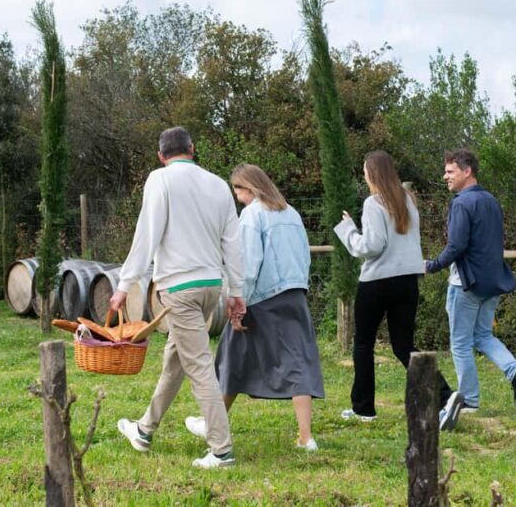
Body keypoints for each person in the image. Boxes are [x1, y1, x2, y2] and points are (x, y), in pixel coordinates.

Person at [109, 127, 246, 469]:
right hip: (211, 287)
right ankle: (144, 429)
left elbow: (147, 234)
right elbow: (233, 241)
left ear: (161, 156)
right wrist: (237, 291)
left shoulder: (160, 180)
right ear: (192, 148)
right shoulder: (217, 184)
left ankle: (221, 450)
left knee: (198, 365)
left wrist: (125, 285)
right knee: (176, 360)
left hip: (179, 289)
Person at [184, 164, 325, 451]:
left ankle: (212, 423)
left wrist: (238, 303)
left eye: (237, 189)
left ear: (247, 187)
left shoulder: (251, 215)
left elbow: (247, 264)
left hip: (262, 298)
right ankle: (306, 438)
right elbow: (304, 256)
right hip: (294, 294)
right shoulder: (291, 212)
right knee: (298, 362)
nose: (236, 195)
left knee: (230, 358)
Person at [335, 150, 464, 431]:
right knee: (404, 345)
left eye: (365, 171)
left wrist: (347, 230)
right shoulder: (408, 200)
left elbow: (371, 246)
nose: (364, 176)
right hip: (408, 280)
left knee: (363, 343)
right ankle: (446, 396)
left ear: (372, 173)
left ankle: (363, 408)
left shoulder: (373, 203)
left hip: (378, 281)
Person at [425, 148, 516, 414]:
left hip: (466, 284)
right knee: (482, 335)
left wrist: (431, 265)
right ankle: (514, 370)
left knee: (460, 342)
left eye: (450, 171)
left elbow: (456, 246)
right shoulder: (491, 201)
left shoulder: (462, 203)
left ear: (466, 170)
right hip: (492, 281)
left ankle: (469, 401)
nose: (445, 176)